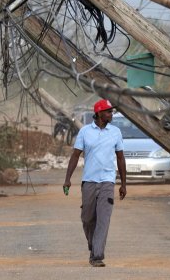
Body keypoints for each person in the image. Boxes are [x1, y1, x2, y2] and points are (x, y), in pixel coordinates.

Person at [63, 99, 126, 267]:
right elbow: (75, 155)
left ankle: (97, 256)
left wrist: (123, 184)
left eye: (111, 111)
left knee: (103, 219)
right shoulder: (85, 132)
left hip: (107, 181)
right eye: (108, 112)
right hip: (89, 181)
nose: (111, 114)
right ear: (98, 113)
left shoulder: (116, 132)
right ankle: (93, 244)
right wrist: (67, 179)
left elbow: (120, 158)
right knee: (87, 218)